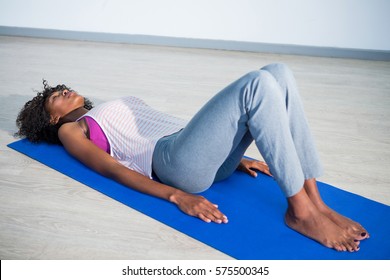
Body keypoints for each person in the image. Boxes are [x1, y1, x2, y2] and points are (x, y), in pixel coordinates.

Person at [15, 63, 368, 252]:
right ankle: (300, 211)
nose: (61, 90)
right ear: (52, 118)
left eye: (61, 87)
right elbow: (111, 169)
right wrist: (176, 194)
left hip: (194, 150)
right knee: (257, 83)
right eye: (54, 97)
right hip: (173, 163)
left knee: (279, 73)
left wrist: (233, 153)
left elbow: (170, 125)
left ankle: (316, 202)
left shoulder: (105, 106)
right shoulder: (70, 130)